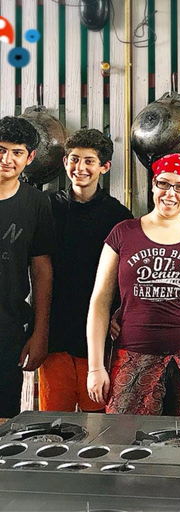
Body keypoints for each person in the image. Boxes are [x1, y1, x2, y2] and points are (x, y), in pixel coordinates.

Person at [86, 153, 180, 416]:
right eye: (163, 183)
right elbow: (100, 301)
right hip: (133, 352)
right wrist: (96, 366)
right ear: (153, 184)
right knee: (122, 439)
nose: (170, 194)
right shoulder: (123, 233)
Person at [41, 129, 132, 412]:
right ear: (66, 161)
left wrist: (119, 313)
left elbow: (125, 276)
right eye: (74, 159)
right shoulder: (48, 207)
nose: (80, 168)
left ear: (104, 167)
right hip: (54, 328)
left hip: (98, 331)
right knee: (54, 419)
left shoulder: (118, 216)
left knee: (97, 418)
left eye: (89, 161)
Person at [0, 116, 54, 417]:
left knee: (5, 421)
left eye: (16, 152)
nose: (7, 159)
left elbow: (42, 268)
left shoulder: (36, 203)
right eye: (1, 149)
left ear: (30, 157)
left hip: (7, 331)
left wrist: (40, 332)